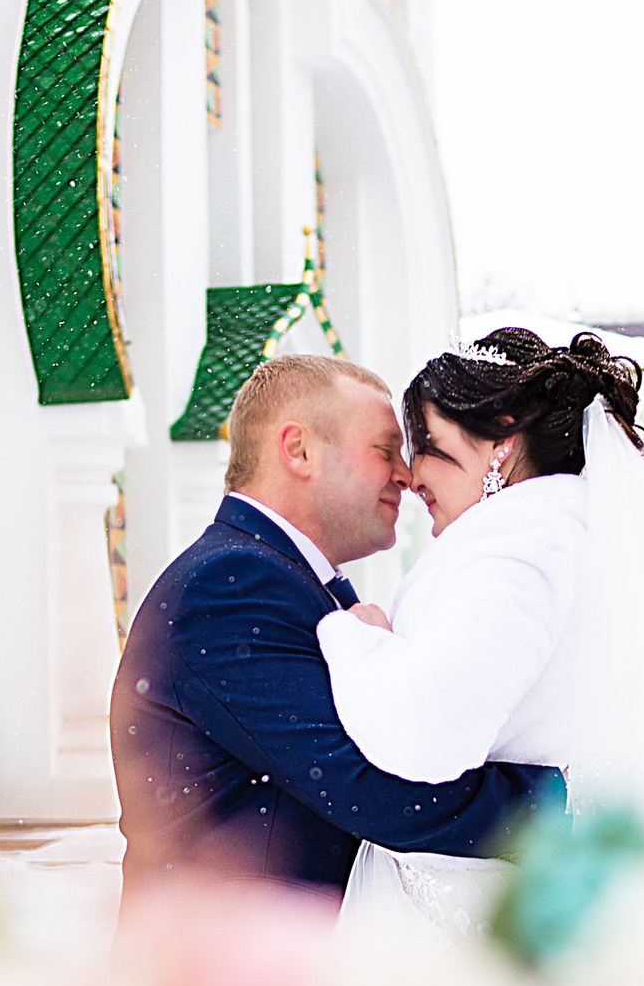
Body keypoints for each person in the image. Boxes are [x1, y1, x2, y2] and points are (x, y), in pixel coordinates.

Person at [317, 326, 644, 939]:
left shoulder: (520, 548)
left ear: (500, 440)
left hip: (461, 914)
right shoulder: (563, 535)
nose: (411, 472)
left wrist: (361, 640)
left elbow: (429, 736)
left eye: (425, 441)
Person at [111, 354, 566, 908]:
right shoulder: (227, 586)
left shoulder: (286, 579)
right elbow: (375, 790)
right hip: (228, 968)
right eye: (384, 450)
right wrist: (569, 802)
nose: (405, 473)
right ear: (298, 450)